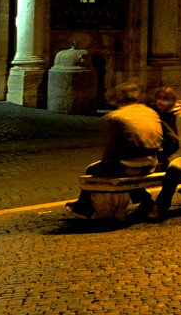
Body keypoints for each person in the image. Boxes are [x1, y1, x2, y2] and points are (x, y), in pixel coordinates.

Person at [66, 83, 163, 218]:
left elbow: (111, 150)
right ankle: (147, 202)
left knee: (93, 170)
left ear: (119, 100)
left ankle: (84, 207)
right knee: (125, 173)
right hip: (151, 164)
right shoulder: (149, 112)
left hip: (129, 165)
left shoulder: (117, 117)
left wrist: (106, 162)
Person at [145, 86, 181, 222]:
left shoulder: (179, 117)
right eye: (158, 98)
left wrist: (167, 160)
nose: (161, 102)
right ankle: (145, 201)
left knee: (174, 168)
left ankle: (161, 205)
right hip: (162, 157)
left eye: (165, 99)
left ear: (172, 100)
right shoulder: (156, 115)